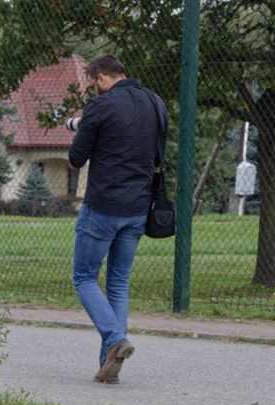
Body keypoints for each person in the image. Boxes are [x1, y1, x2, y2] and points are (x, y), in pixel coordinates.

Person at [66, 55, 165, 385]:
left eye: (95, 85)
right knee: (119, 282)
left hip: (103, 206)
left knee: (83, 276)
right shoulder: (155, 103)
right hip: (138, 207)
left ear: (101, 78)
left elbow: (76, 158)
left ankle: (115, 341)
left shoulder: (101, 106)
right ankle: (109, 363)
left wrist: (86, 127)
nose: (96, 90)